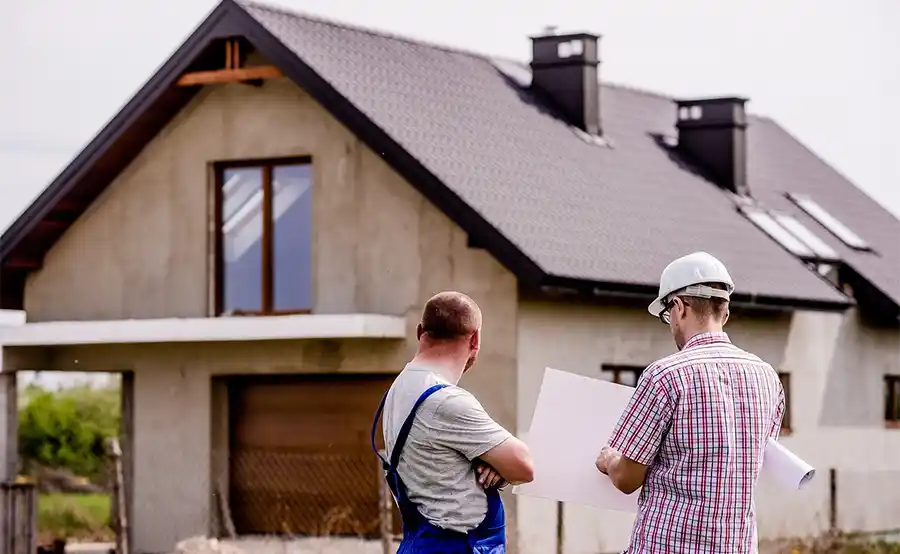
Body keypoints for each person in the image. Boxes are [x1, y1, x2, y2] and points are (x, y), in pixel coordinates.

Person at [594, 252, 785, 554]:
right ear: (724, 312)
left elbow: (627, 479)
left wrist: (608, 460)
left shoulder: (665, 375)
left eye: (667, 315)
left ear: (679, 307)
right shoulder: (768, 378)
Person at [371, 291, 534, 553]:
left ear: (419, 331)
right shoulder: (445, 400)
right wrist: (499, 464)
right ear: (476, 338)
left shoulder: (399, 388)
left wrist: (492, 462)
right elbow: (524, 466)